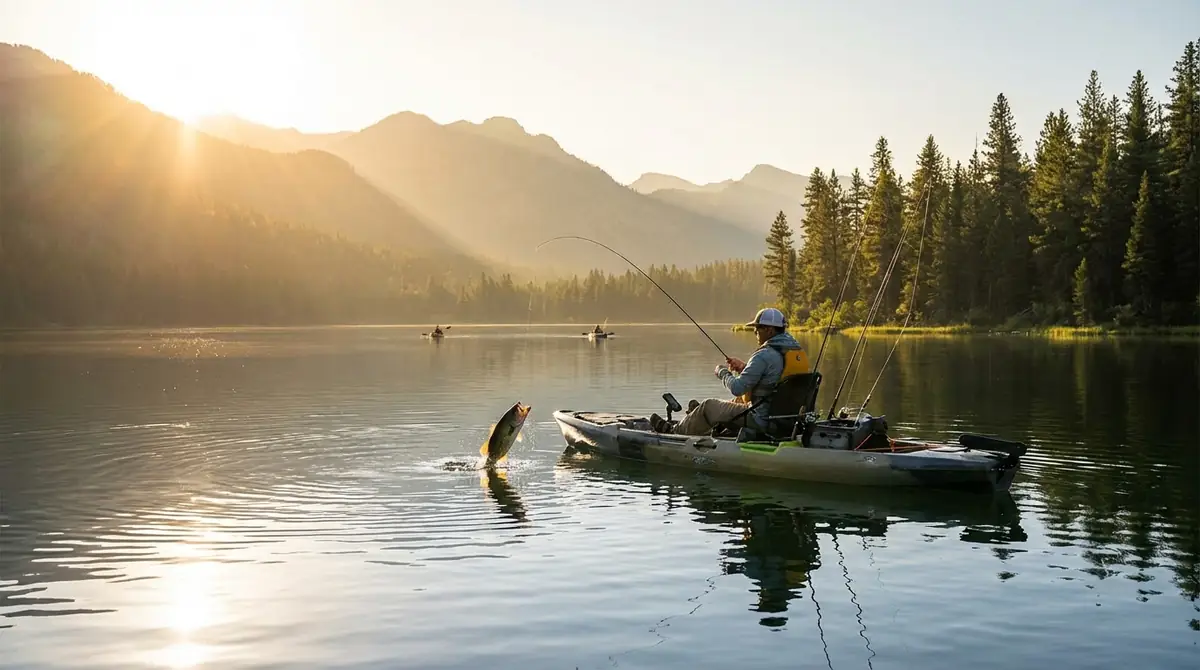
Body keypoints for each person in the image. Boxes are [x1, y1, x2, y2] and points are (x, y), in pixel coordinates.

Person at [650, 307, 808, 436]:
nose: (755, 333)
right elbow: (773, 379)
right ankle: (698, 416)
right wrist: (745, 367)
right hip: (784, 419)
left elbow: (737, 388)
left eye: (757, 329)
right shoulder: (793, 351)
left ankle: (674, 431)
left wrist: (722, 372)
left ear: (769, 330)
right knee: (736, 401)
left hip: (761, 419)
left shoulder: (764, 354)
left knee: (709, 405)